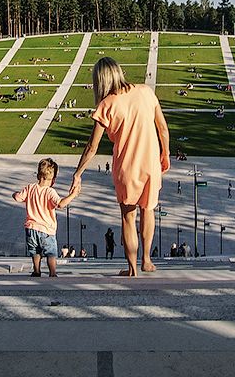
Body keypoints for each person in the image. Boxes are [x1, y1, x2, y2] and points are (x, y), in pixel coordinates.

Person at [69, 57, 170, 277]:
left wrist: (78, 173)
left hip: (127, 166)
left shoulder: (106, 105)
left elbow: (92, 146)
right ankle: (146, 260)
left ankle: (132, 268)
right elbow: (162, 128)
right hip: (151, 162)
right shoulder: (145, 91)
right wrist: (165, 153)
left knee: (128, 217)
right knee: (148, 210)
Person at [13, 157, 78, 278]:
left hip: (31, 228)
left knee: (35, 252)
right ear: (53, 180)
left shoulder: (30, 188)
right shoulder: (50, 192)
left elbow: (18, 198)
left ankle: (37, 270)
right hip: (47, 230)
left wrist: (14, 193)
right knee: (51, 253)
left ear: (38, 176)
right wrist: (73, 195)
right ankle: (52, 273)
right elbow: (60, 204)